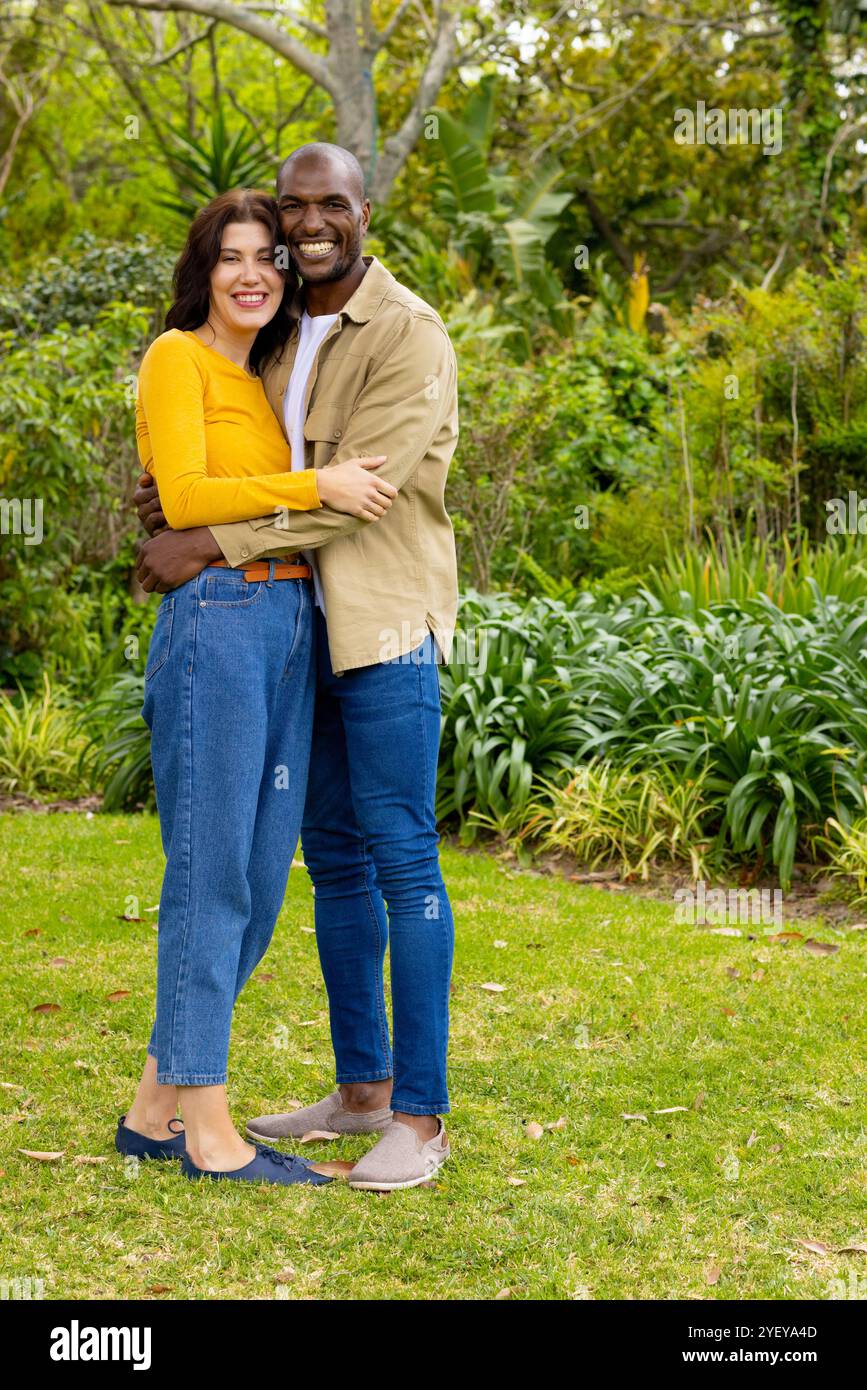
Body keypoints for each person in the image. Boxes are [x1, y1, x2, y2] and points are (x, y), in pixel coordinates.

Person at [134, 143, 460, 1191]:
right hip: (295, 634)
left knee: (402, 858)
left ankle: (419, 1114)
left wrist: (206, 541)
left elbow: (351, 491)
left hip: (384, 629)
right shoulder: (273, 335)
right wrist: (185, 505)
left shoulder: (407, 333)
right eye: (294, 209)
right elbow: (248, 473)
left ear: (368, 210)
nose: (310, 223)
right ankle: (360, 1088)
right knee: (331, 859)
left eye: (333, 204)